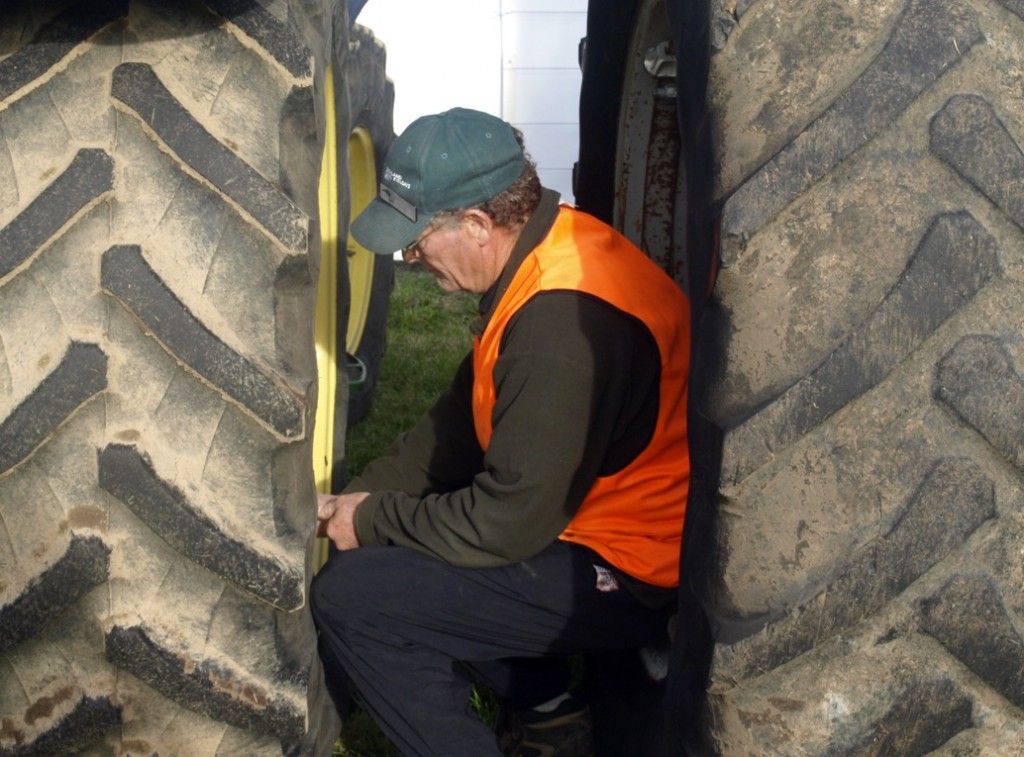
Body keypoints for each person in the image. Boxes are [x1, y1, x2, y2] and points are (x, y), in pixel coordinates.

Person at [311, 107, 691, 757]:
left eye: (416, 237)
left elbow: (508, 524)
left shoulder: (557, 329)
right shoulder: (544, 256)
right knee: (402, 537)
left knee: (355, 598)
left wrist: (373, 523)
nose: (408, 257)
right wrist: (350, 505)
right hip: (582, 523)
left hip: (633, 565)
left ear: (478, 225)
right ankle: (548, 712)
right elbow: (451, 432)